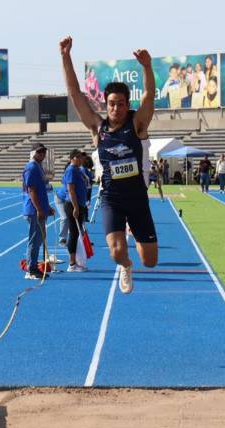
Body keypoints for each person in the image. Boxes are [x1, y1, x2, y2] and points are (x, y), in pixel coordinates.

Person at [61, 36, 158, 294]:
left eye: (121, 103)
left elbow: (149, 97)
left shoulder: (137, 125)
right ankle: (126, 265)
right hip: (111, 198)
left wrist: (147, 67)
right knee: (116, 253)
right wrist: (65, 56)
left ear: (128, 105)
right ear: (106, 104)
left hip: (137, 197)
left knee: (150, 261)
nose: (116, 107)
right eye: (112, 103)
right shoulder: (97, 127)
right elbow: (74, 94)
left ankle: (137, 244)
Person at [22, 143, 54, 280]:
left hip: (40, 208)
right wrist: (39, 209)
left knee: (40, 238)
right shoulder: (31, 168)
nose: (42, 154)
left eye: (44, 152)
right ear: (33, 153)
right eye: (39, 152)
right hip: (33, 209)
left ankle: (34, 265)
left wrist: (47, 208)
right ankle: (31, 269)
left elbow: (41, 190)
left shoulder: (38, 167)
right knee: (34, 239)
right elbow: (32, 190)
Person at [62, 150, 89, 272]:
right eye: (78, 157)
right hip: (73, 205)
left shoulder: (77, 170)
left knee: (76, 233)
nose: (81, 159)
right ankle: (72, 264)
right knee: (73, 233)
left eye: (82, 157)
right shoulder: (71, 170)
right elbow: (71, 190)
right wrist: (76, 207)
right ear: (72, 158)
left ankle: (76, 261)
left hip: (79, 204)